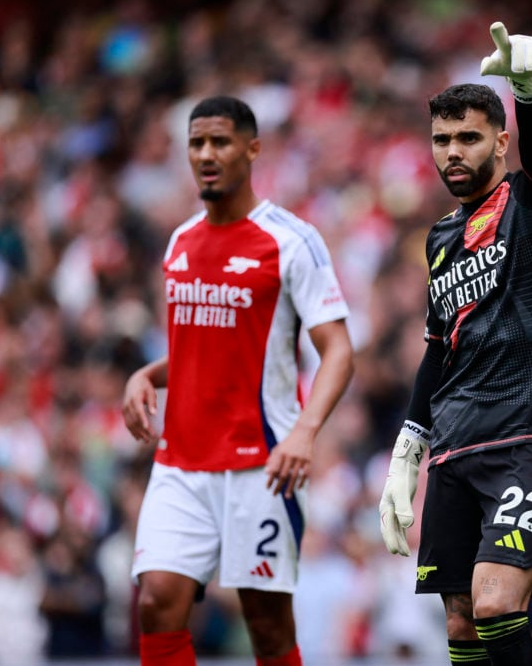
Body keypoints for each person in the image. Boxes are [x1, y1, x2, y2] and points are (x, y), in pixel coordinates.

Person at [379, 22, 532, 666]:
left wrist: (528, 91)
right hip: (456, 444)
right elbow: (436, 348)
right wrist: (408, 450)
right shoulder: (441, 237)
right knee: (463, 626)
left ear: (501, 142)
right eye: (442, 140)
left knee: (499, 600)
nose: (453, 151)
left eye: (469, 138)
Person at [121, 95, 354, 666]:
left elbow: (339, 351)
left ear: (252, 149)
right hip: (181, 461)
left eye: (220, 142)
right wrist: (146, 375)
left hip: (261, 461)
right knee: (156, 600)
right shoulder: (180, 242)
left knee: (267, 626)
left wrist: (304, 433)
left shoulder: (290, 241)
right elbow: (200, 352)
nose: (206, 154)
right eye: (196, 143)